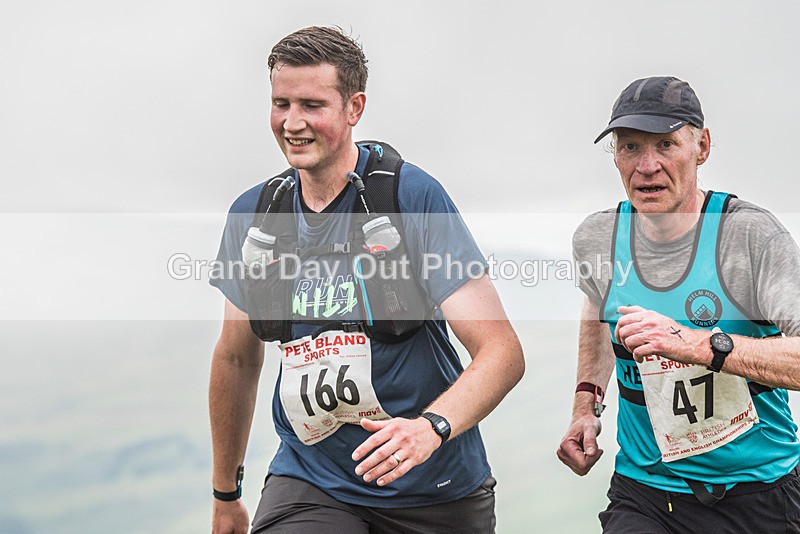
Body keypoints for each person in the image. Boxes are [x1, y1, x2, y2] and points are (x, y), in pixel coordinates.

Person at [208, 26, 524, 534]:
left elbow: (502, 351)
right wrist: (226, 495)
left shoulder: (410, 197)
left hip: (434, 487)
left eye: (312, 105)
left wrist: (429, 428)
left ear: (355, 108)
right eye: (280, 103)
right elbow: (236, 356)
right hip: (312, 481)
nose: (292, 123)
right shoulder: (255, 215)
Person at [557, 76, 800, 533]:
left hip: (758, 491)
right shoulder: (596, 238)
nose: (646, 166)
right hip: (646, 491)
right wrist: (585, 406)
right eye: (629, 147)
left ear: (702, 146)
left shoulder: (751, 237)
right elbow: (597, 310)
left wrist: (697, 344)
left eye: (666, 145)